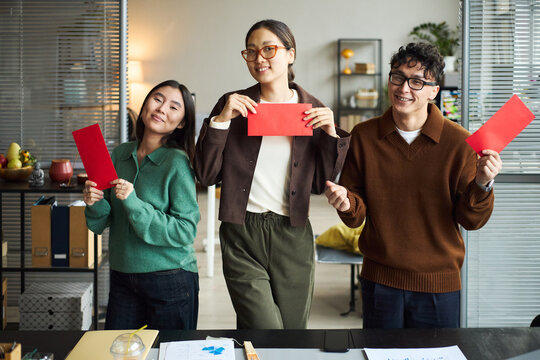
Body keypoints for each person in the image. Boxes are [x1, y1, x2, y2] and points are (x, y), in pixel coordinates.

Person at [325, 42, 503, 329]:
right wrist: (346, 202)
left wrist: (483, 183)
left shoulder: (459, 144)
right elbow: (356, 214)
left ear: (434, 90)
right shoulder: (364, 135)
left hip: (439, 284)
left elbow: (470, 220)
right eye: (397, 77)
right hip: (379, 279)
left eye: (417, 81)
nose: (403, 88)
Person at [194, 19, 350, 329]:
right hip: (242, 233)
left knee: (291, 333)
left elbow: (320, 185)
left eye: (268, 49)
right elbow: (206, 174)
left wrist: (331, 134)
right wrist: (222, 120)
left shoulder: (313, 110)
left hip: (293, 235)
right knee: (263, 326)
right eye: (250, 52)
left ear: (290, 54)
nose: (258, 58)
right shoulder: (233, 106)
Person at [83, 80, 200, 330]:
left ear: (181, 123)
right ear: (146, 103)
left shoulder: (177, 162)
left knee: (168, 354)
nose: (161, 108)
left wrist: (134, 203)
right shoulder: (119, 154)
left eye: (173, 107)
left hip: (170, 278)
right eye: (157, 99)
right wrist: (94, 201)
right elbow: (103, 220)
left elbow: (186, 230)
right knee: (117, 353)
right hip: (123, 275)